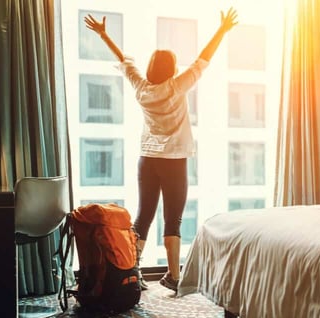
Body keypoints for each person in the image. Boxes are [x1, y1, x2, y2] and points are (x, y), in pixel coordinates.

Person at [84, 8, 238, 292]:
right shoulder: (177, 87)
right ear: (172, 69)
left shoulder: (141, 88)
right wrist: (222, 30)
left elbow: (123, 60)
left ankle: (132, 273)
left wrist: (104, 35)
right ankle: (173, 276)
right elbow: (202, 60)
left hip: (147, 160)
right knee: (173, 219)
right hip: (174, 161)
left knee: (144, 216)